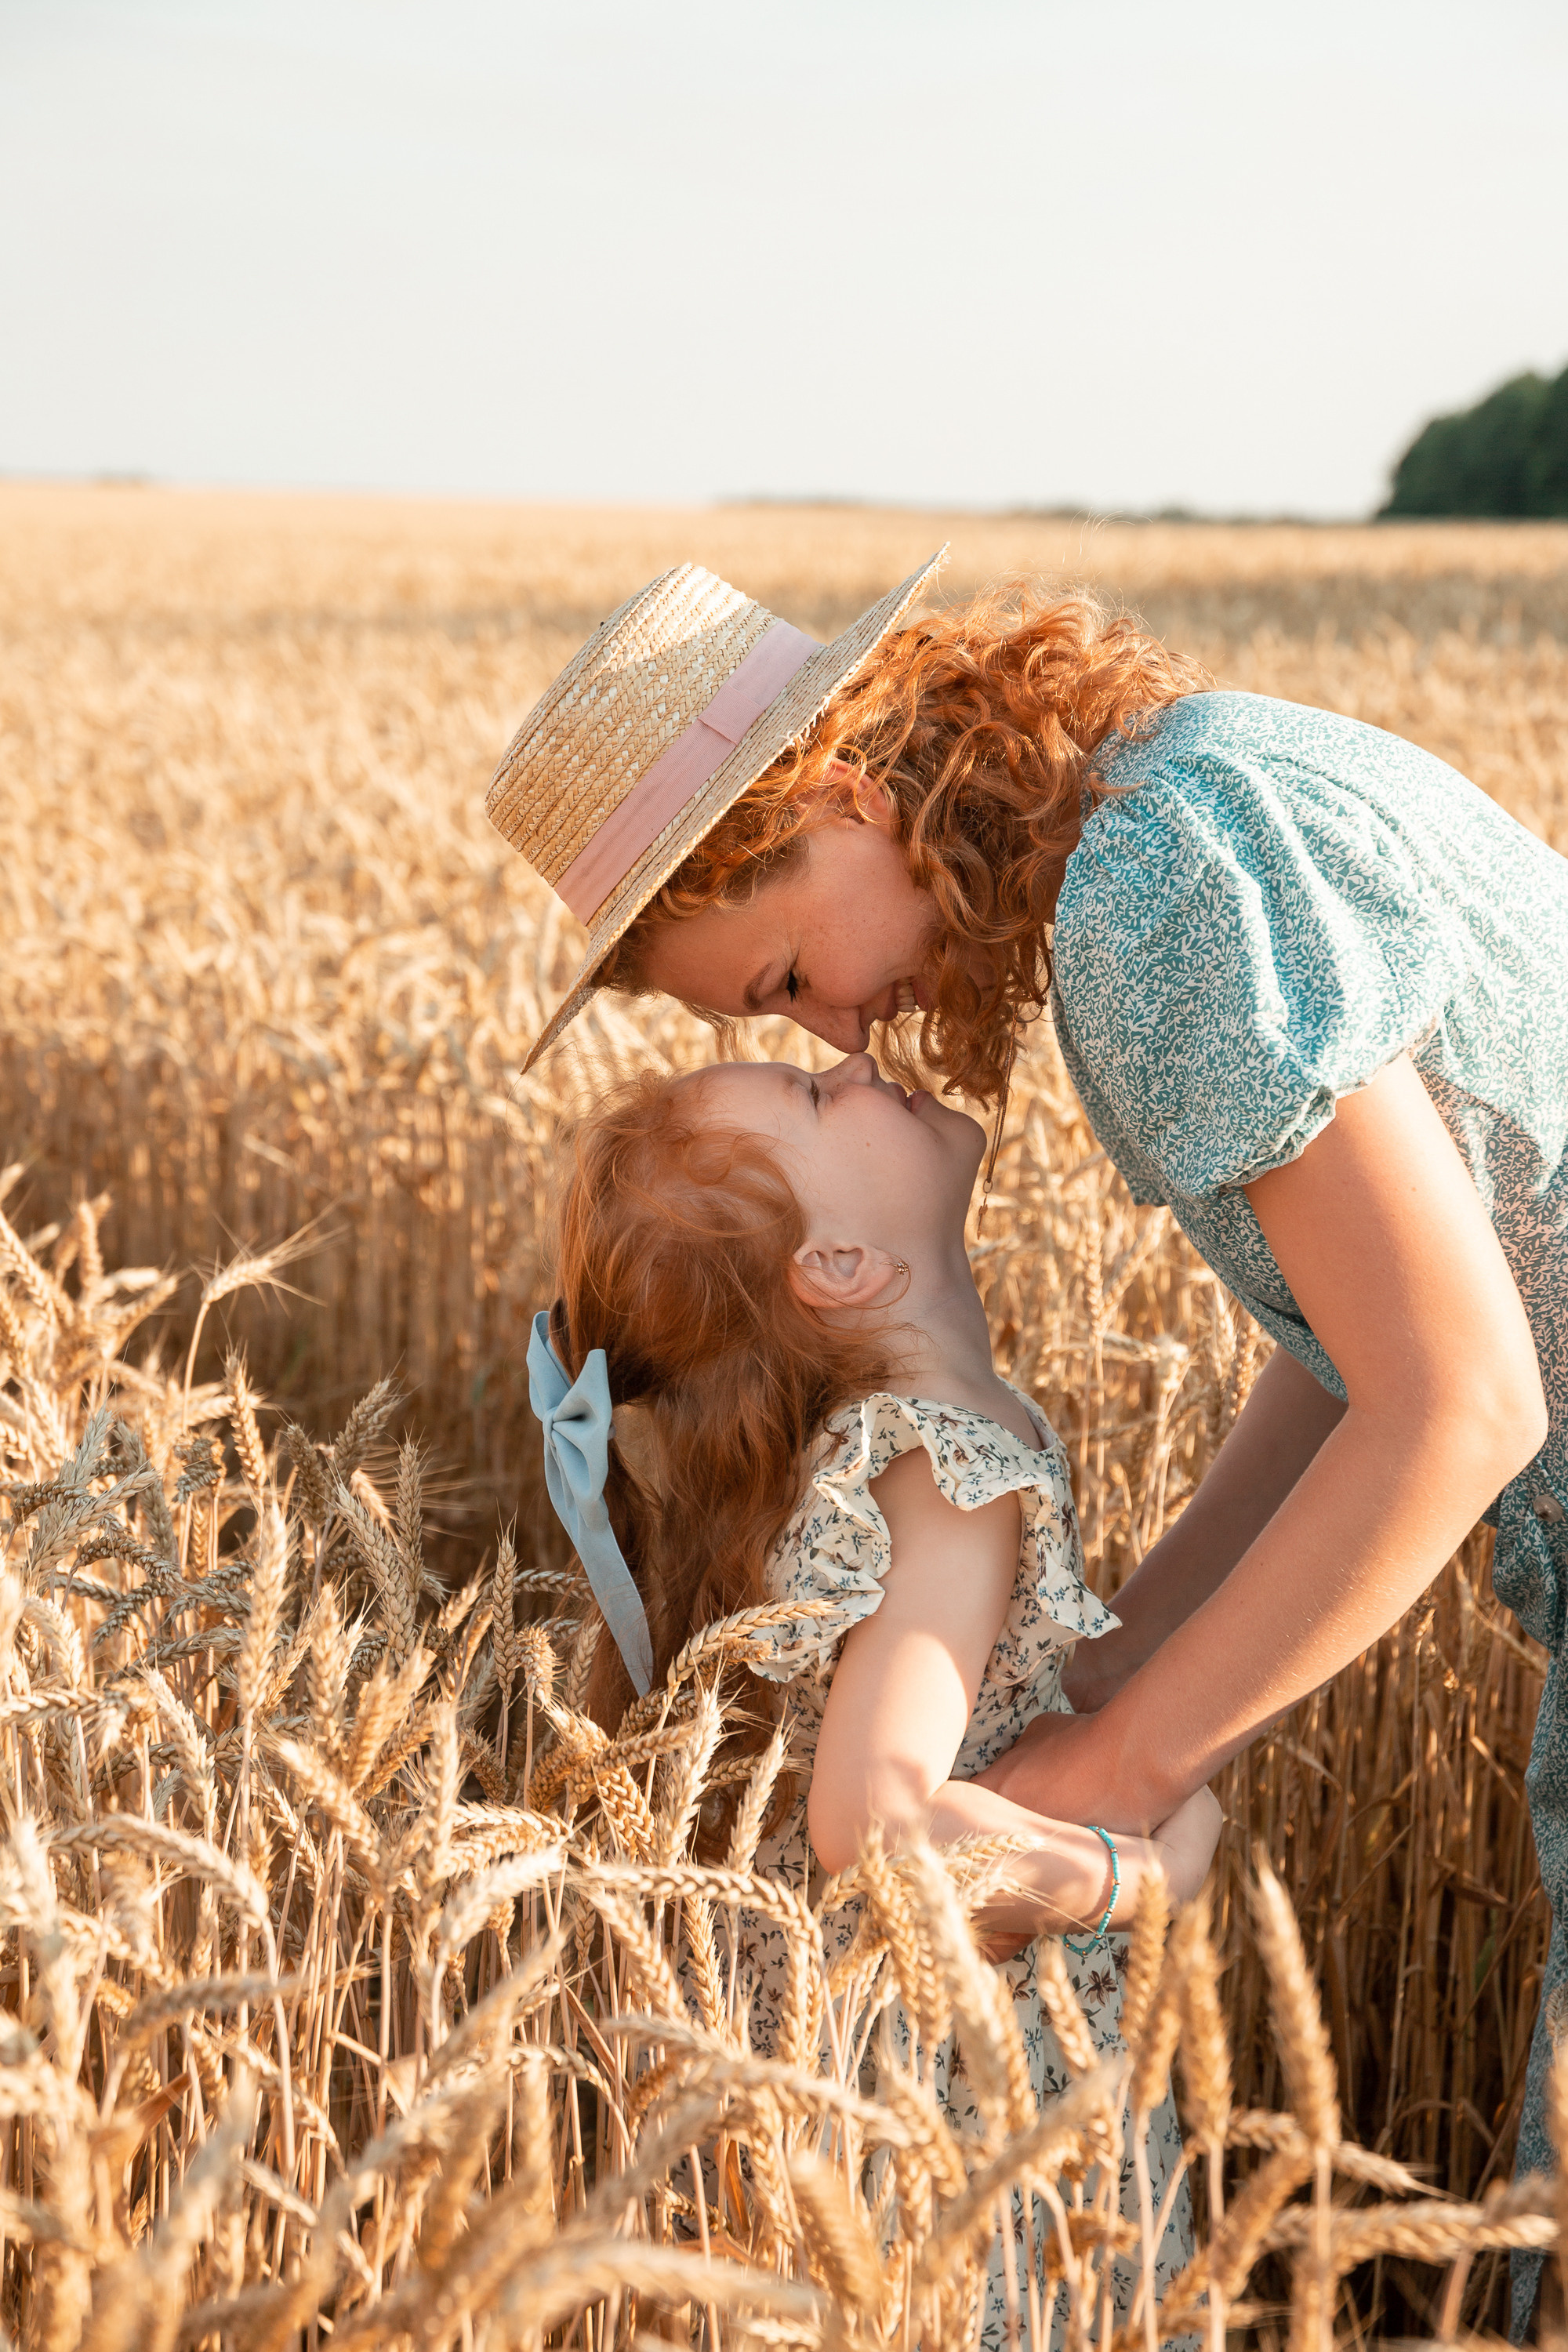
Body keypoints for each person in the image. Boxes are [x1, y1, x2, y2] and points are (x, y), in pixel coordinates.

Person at [488, 550, 1568, 2332]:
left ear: (838, 798)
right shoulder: (1202, 786)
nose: (837, 1028)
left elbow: (1461, 1398)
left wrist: (1126, 1779)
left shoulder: (1157, 903)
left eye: (777, 983)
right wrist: (1127, 1651)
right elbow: (1360, 1335)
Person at [531, 1043, 1221, 2344]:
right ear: (840, 1270)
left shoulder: (877, 1450)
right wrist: (1139, 1880)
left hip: (841, 2063)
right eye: (809, 1094)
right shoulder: (942, 1467)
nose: (850, 1060)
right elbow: (876, 1826)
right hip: (948, 2093)